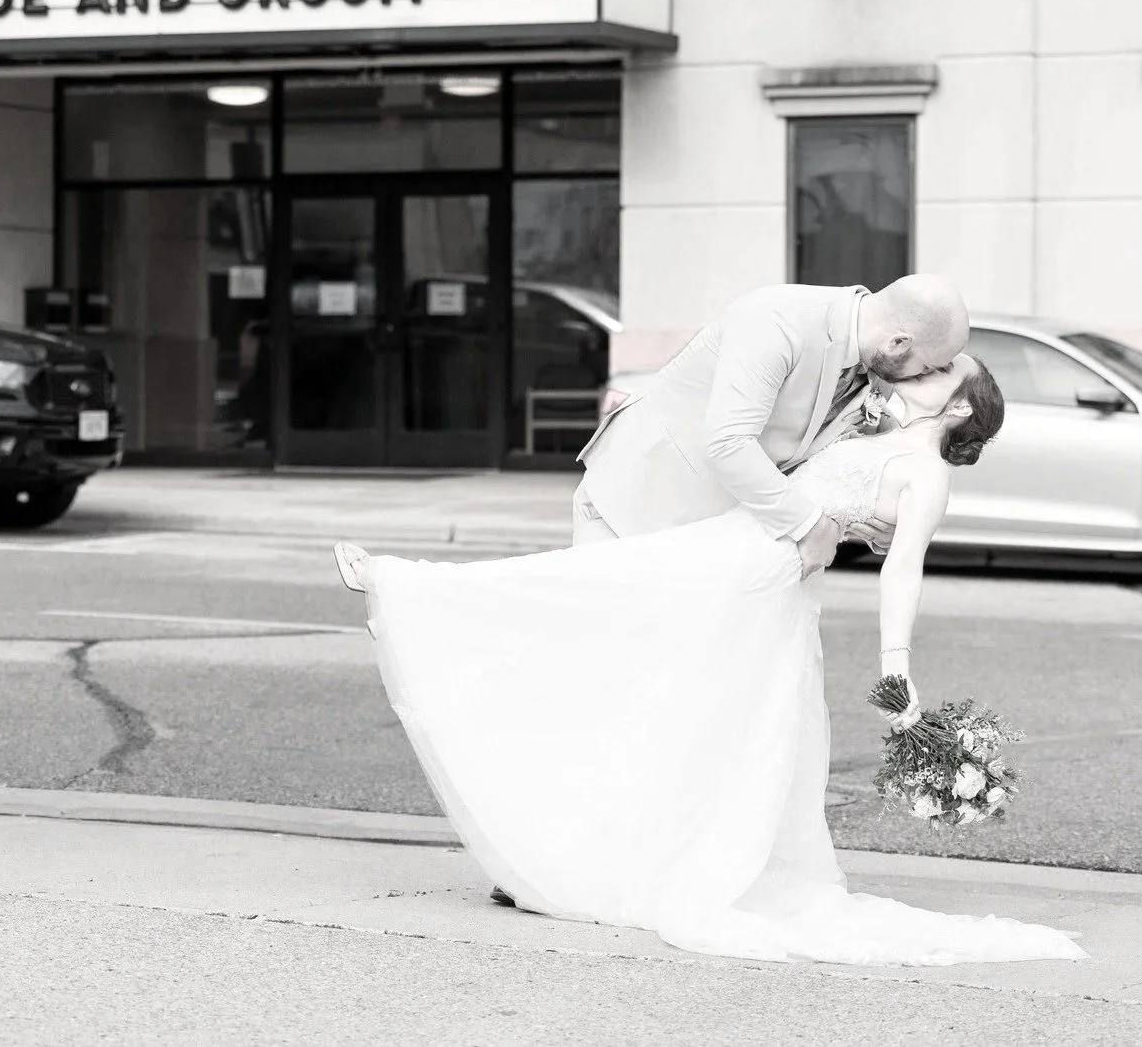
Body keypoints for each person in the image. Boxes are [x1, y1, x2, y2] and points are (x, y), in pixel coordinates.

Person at [332, 355, 1086, 966]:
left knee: (599, 602)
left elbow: (904, 565)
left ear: (959, 407)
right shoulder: (872, 429)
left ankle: (409, 592)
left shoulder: (928, 474)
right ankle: (418, 600)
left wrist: (897, 663)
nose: (920, 372)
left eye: (940, 374)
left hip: (752, 580)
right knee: (625, 641)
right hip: (731, 552)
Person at [573, 274, 970, 573]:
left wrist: (863, 522)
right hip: (633, 507)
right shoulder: (776, 320)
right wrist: (810, 526)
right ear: (899, 343)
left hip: (717, 530)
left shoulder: (878, 363)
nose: (919, 378)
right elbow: (729, 444)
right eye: (927, 366)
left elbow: (810, 459)